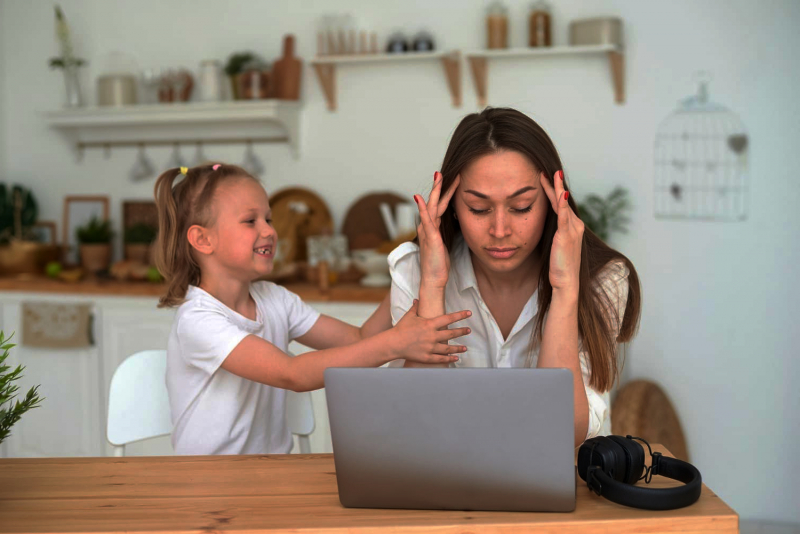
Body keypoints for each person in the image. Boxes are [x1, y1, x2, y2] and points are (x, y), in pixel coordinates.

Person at [152, 163, 471, 455]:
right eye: (251, 221)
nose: (268, 231)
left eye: (269, 218)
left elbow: (359, 339)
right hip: (207, 485)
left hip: (268, 479)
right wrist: (396, 343)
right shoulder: (197, 320)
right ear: (202, 239)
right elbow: (293, 375)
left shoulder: (275, 299)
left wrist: (416, 256)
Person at [385, 108, 641, 447]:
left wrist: (565, 290)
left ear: (553, 201)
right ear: (449, 205)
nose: (500, 230)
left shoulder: (603, 280)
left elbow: (563, 436)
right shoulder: (414, 271)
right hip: (448, 483)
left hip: (568, 487)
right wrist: (432, 287)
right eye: (478, 208)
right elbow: (416, 423)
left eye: (521, 207)